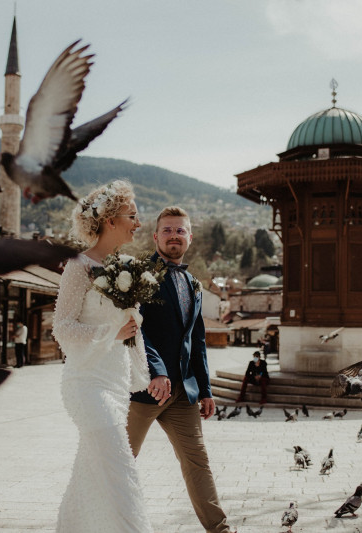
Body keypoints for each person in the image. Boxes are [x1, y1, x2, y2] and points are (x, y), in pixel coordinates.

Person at [52, 180, 153, 532]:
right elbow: (62, 328)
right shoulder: (78, 266)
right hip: (86, 384)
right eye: (132, 216)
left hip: (117, 383)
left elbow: (130, 328)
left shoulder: (128, 266)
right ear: (110, 221)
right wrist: (111, 332)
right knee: (121, 469)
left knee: (91, 475)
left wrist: (145, 368)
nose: (138, 223)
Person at [127, 206, 235, 533]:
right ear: (155, 236)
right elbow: (135, 327)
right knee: (119, 461)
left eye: (180, 230)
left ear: (190, 237)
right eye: (168, 230)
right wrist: (157, 371)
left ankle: (220, 530)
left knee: (197, 462)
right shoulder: (139, 274)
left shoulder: (193, 283)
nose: (174, 235)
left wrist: (205, 390)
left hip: (182, 394)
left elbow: (197, 340)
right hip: (143, 389)